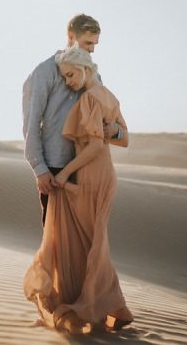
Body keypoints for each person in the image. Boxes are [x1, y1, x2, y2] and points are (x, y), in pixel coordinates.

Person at [23, 45, 134, 333]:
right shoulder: (109, 96)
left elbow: (95, 146)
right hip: (104, 175)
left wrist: (66, 174)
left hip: (88, 175)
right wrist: (110, 131)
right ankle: (115, 308)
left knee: (82, 243)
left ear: (86, 68)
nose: (69, 81)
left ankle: (90, 307)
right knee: (94, 242)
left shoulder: (88, 99)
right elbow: (123, 139)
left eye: (71, 75)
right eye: (64, 76)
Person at [22, 14, 127, 226]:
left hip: (87, 170)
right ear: (71, 36)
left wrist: (113, 130)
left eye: (95, 44)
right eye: (88, 42)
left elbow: (114, 123)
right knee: (57, 243)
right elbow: (31, 124)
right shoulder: (45, 72)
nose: (92, 49)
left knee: (84, 241)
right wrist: (39, 168)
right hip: (54, 169)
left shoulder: (94, 77)